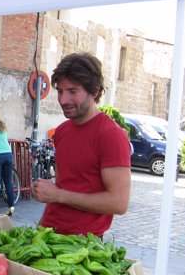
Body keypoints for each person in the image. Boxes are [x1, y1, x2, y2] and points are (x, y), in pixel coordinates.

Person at [32, 52, 131, 238]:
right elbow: (65, 185)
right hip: (47, 235)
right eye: (60, 91)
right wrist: (42, 225)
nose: (63, 100)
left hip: (81, 246)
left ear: (94, 91)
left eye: (73, 91)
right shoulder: (61, 131)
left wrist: (57, 195)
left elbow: (119, 203)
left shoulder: (111, 135)